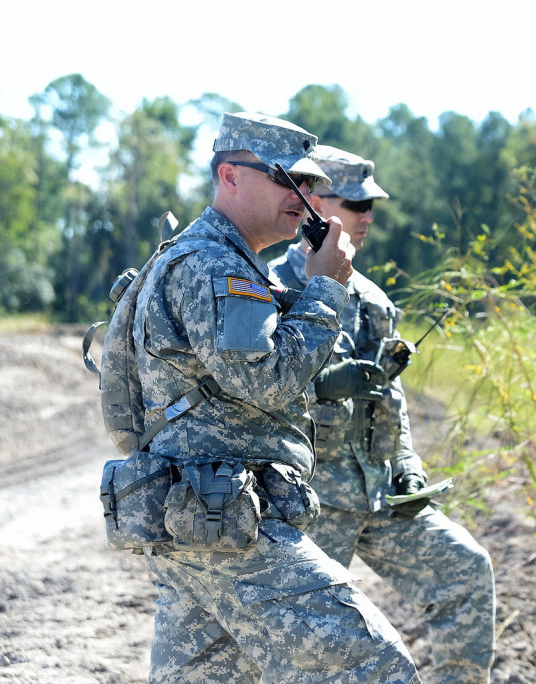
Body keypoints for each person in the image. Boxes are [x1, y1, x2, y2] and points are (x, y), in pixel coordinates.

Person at [133, 112, 419, 683]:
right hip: (227, 515)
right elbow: (263, 381)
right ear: (230, 177)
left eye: (312, 183)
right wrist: (325, 291)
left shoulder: (231, 261)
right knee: (379, 668)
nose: (305, 196)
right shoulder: (215, 265)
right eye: (288, 180)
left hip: (209, 514)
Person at [270, 145, 496, 683]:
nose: (368, 217)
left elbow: (389, 400)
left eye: (371, 206)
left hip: (377, 496)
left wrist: (407, 460)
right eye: (355, 204)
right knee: (299, 650)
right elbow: (252, 389)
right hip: (309, 505)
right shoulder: (270, 285)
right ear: (315, 201)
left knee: (465, 570)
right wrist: (324, 386)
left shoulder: (373, 299)